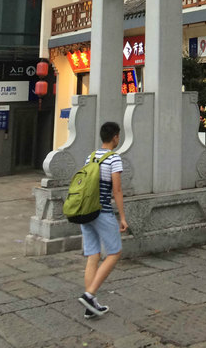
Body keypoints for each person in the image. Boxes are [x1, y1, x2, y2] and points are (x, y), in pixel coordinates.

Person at [78, 122, 128, 319]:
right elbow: (117, 190)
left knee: (93, 256)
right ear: (115, 137)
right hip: (102, 212)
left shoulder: (90, 157)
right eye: (118, 136)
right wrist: (122, 217)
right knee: (115, 252)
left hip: (85, 211)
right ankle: (89, 295)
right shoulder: (114, 158)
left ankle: (90, 305)